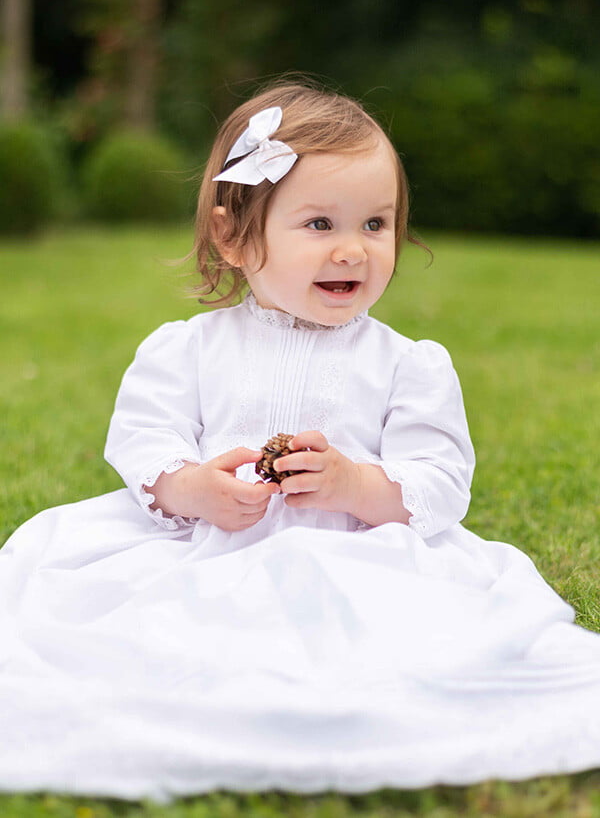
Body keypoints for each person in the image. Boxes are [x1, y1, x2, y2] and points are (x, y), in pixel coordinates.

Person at [0, 80, 599, 803]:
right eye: (320, 224)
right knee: (135, 637)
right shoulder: (188, 349)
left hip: (356, 559)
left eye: (376, 224)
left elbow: (441, 482)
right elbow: (143, 437)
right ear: (233, 235)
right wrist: (191, 487)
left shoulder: (407, 365)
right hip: (207, 550)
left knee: (402, 648)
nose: (354, 250)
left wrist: (356, 485)